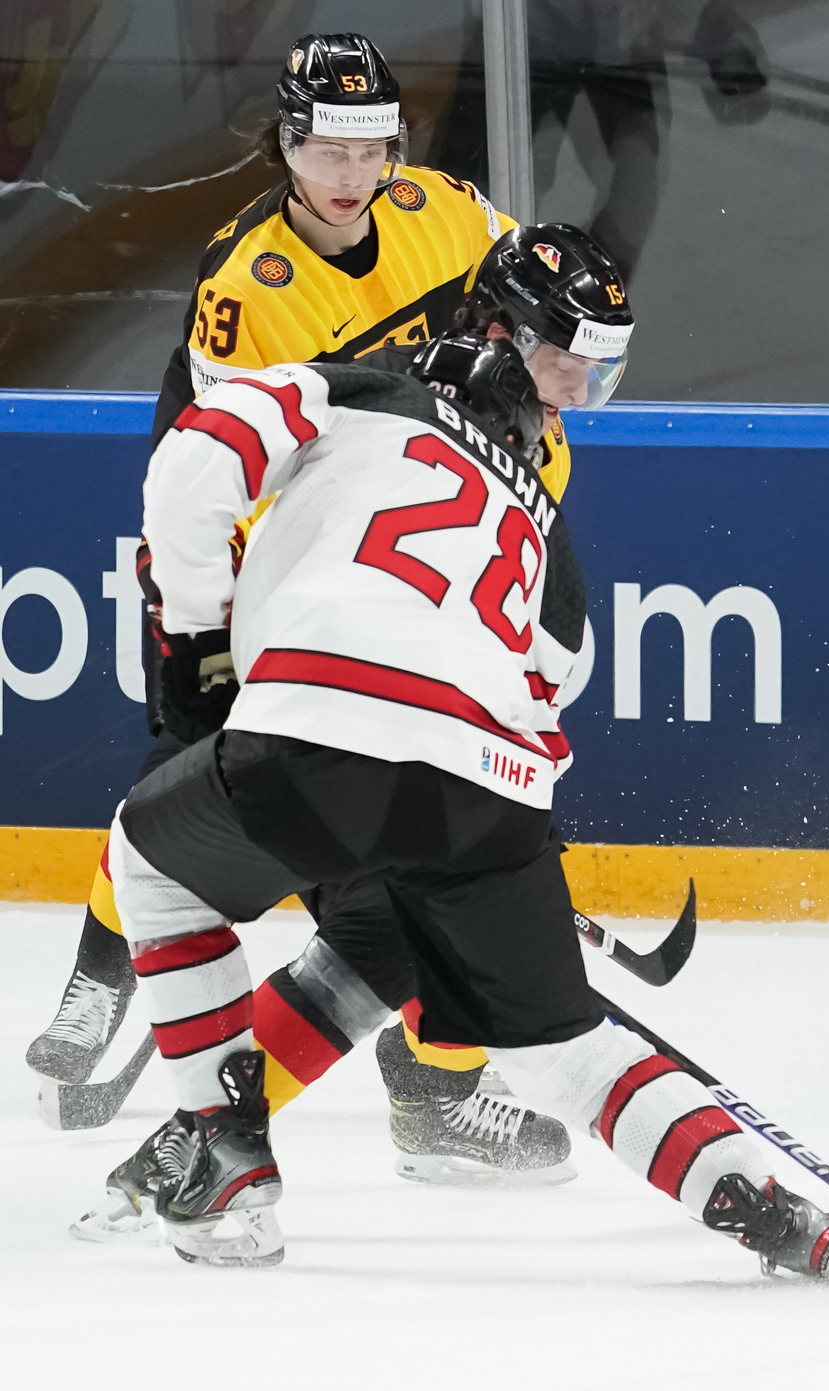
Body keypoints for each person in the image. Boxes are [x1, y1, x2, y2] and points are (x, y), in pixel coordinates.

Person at [97, 332, 829, 1277]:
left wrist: (195, 626)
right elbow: (559, 672)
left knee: (150, 860)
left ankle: (223, 1151)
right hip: (491, 788)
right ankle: (766, 1206)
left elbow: (201, 449)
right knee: (564, 1054)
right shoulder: (544, 519)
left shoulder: (365, 393)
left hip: (320, 730)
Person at [27, 31, 617, 1187]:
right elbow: (256, 465)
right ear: (284, 144)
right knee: (209, 761)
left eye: (372, 146)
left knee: (427, 804)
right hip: (293, 524)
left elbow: (528, 317)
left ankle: (431, 1085)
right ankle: (108, 970)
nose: (351, 172)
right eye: (327, 147)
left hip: (434, 503)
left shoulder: (446, 209)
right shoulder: (251, 289)